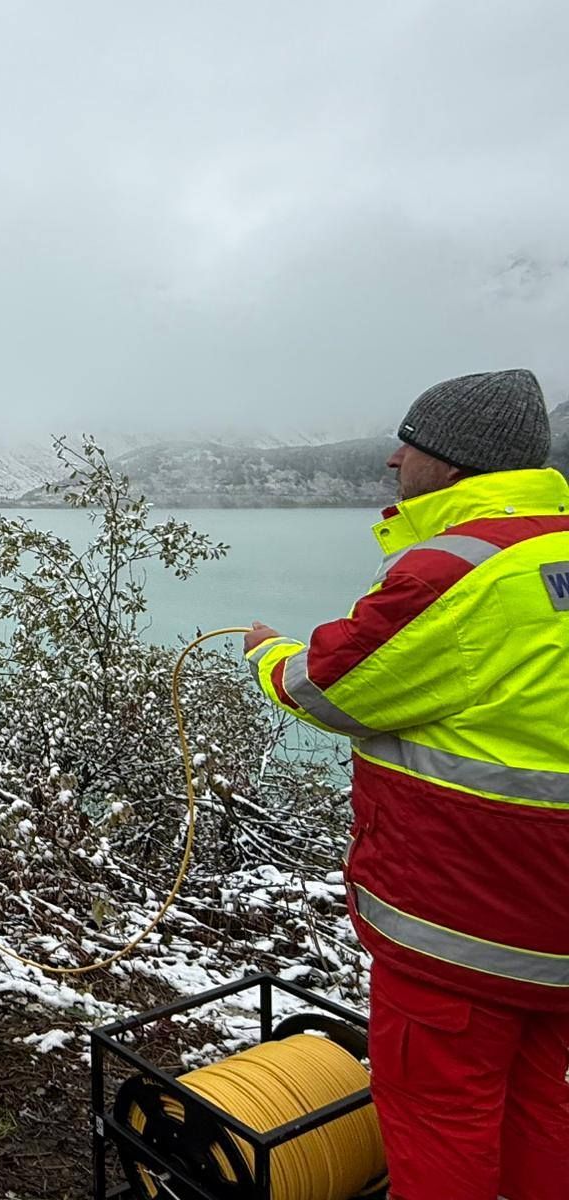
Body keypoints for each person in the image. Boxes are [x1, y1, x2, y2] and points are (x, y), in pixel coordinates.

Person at [244, 369, 569, 1200]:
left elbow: (335, 685)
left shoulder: (456, 568)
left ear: (455, 461)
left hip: (465, 917)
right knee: (539, 1105)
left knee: (439, 1120)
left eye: (411, 445)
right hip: (552, 927)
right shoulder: (554, 549)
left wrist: (266, 655)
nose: (394, 460)